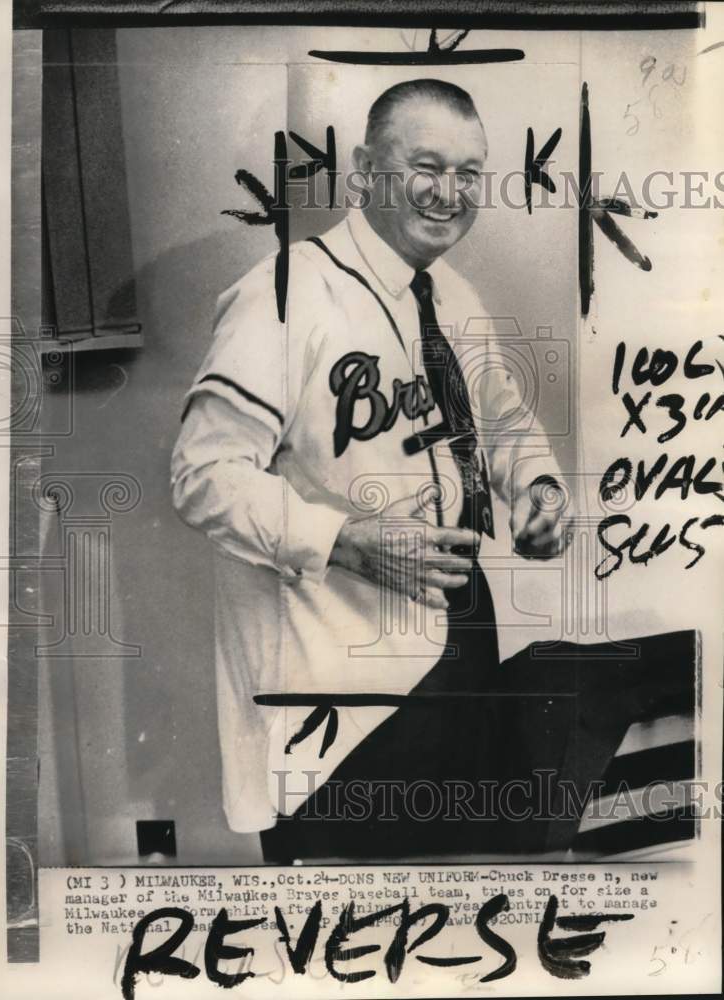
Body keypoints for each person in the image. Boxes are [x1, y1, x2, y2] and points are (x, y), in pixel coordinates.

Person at [170, 79, 573, 861]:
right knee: (351, 918)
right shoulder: (284, 294)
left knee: (454, 908)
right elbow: (203, 473)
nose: (448, 193)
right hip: (337, 667)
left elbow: (500, 420)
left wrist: (539, 488)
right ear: (364, 169)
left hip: (457, 635)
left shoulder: (452, 296)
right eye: (426, 165)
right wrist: (346, 540)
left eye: (468, 172)